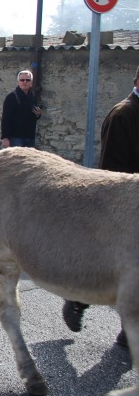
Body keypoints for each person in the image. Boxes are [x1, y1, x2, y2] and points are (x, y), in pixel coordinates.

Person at [61, 67, 139, 348]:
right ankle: (78, 298)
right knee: (120, 267)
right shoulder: (124, 115)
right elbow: (112, 169)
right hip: (125, 204)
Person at [1, 70, 42, 147]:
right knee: (16, 159)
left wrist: (38, 114)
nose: (25, 82)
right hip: (15, 137)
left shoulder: (32, 97)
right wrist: (5, 138)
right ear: (18, 82)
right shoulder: (11, 97)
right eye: (22, 80)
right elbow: (5, 118)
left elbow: (33, 115)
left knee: (28, 159)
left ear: (31, 83)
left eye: (28, 80)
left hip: (30, 137)